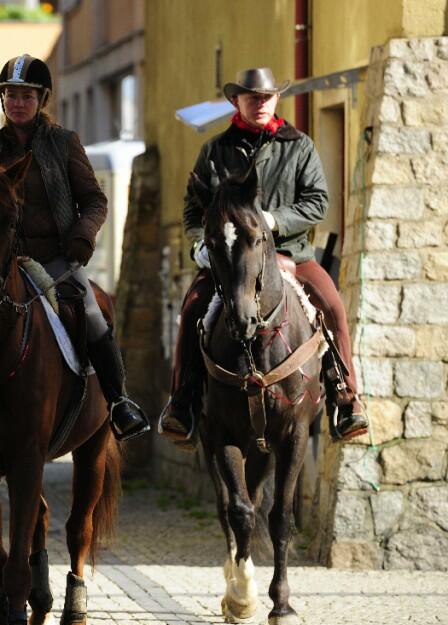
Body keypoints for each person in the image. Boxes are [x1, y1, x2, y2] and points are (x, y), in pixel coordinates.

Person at [0, 54, 150, 441]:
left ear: (42, 100)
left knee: (93, 315)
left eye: (26, 96)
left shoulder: (64, 143)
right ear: (2, 99)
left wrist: (83, 234)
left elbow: (95, 200)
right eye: (11, 95)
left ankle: (119, 402)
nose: (18, 103)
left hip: (55, 258)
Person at [157, 67, 368, 445]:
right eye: (252, 97)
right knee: (191, 309)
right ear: (235, 101)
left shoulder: (300, 146)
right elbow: (193, 210)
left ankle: (346, 399)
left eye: (267, 97)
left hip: (291, 254)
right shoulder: (214, 151)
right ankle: (182, 403)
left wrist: (274, 221)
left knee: (334, 306)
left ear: (277, 99)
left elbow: (317, 202)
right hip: (228, 260)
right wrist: (200, 244)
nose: (260, 103)